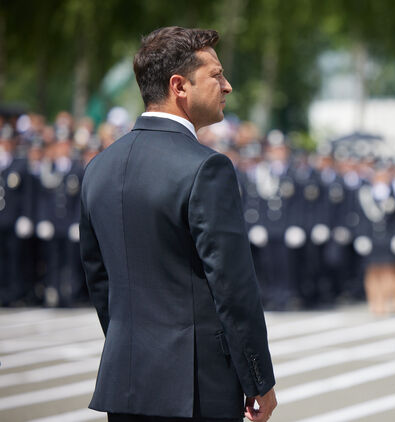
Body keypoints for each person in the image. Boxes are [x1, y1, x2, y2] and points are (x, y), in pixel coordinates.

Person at [79, 27, 277, 421]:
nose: (228, 86)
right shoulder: (206, 168)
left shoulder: (98, 167)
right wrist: (259, 380)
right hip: (196, 386)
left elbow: (100, 281)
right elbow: (233, 287)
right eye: (216, 75)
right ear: (179, 86)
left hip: (127, 381)